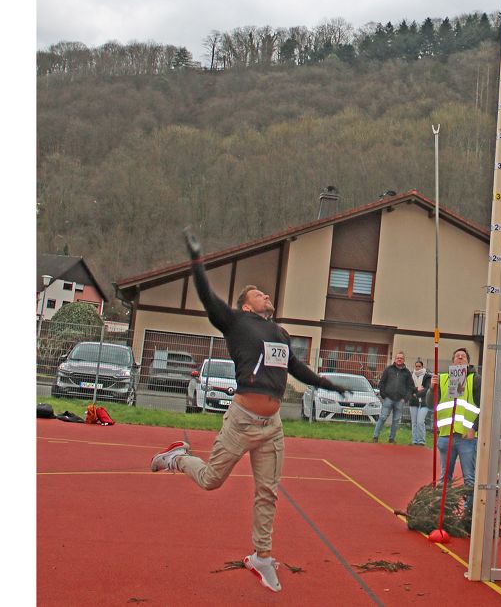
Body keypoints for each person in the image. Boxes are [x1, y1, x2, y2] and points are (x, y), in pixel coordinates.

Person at [150, 229, 352, 594]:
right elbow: (209, 299)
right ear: (246, 305)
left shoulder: (280, 333)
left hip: (271, 426)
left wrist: (330, 386)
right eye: (259, 293)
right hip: (242, 420)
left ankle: (261, 555)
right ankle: (178, 458)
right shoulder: (236, 323)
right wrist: (197, 260)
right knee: (212, 479)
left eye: (266, 293)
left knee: (268, 492)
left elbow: (296, 369)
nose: (266, 295)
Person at [430, 347, 480, 510]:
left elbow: (484, 406)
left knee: (469, 478)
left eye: (463, 357)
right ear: (453, 361)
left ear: (468, 362)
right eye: (457, 356)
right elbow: (431, 404)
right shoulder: (444, 379)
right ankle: (444, 510)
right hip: (446, 435)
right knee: (445, 478)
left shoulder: (475, 380)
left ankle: (469, 513)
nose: (460, 358)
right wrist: (432, 388)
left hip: (467, 437)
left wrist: (474, 427)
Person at [372, 350, 412, 443]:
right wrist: (384, 395)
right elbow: (382, 382)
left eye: (401, 358)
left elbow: (410, 387)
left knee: (396, 420)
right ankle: (375, 436)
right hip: (388, 399)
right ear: (395, 359)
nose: (399, 360)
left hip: (400, 401)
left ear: (404, 360)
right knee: (382, 417)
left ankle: (391, 439)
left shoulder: (407, 372)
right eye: (398, 358)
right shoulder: (388, 369)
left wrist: (405, 399)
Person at [407, 358, 432, 446]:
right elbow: (409, 388)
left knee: (420, 421)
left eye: (419, 366)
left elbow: (427, 389)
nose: (417, 368)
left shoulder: (427, 376)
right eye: (416, 366)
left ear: (422, 366)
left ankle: (421, 441)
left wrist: (416, 394)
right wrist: (417, 389)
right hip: (413, 402)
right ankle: (415, 440)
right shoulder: (411, 376)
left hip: (424, 402)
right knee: (414, 422)